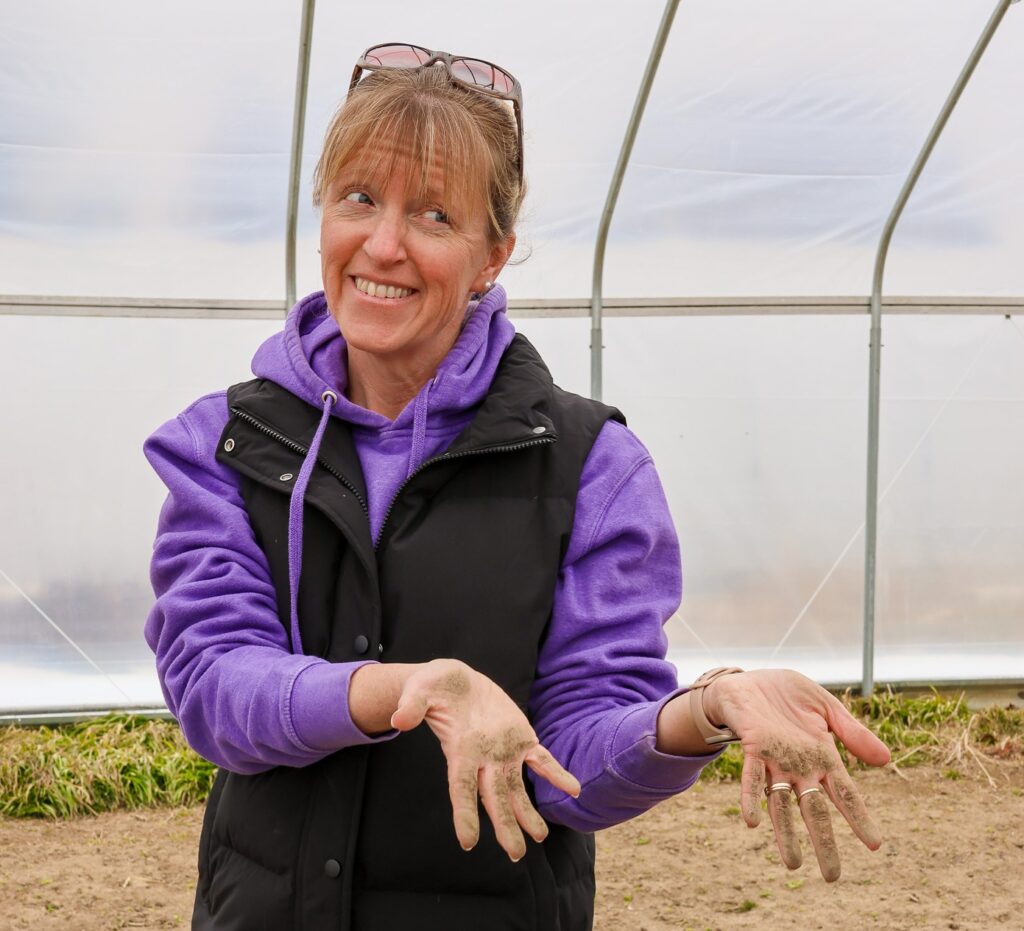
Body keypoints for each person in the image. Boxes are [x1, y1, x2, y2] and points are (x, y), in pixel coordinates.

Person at [143, 43, 891, 931]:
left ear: (493, 254)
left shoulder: (589, 468)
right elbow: (216, 691)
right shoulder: (227, 443)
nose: (382, 244)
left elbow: (574, 754)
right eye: (359, 198)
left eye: (432, 215)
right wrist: (410, 689)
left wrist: (704, 709)